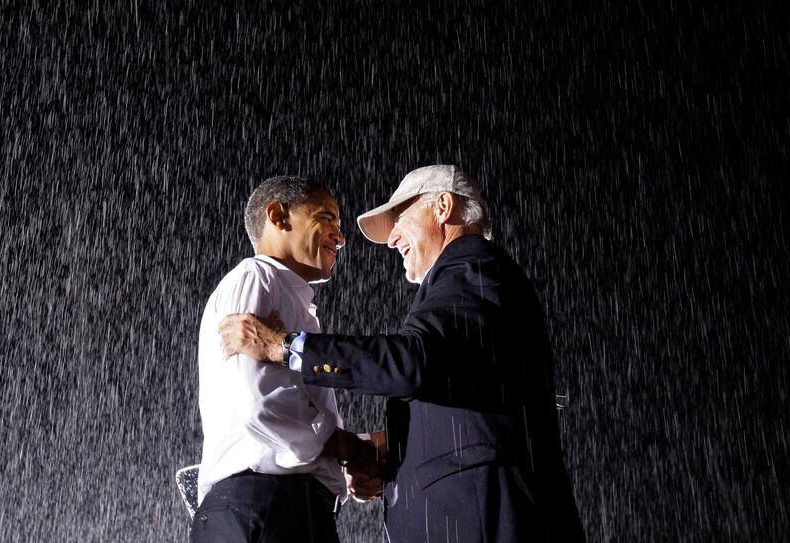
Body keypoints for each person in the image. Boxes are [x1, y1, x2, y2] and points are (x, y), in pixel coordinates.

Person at [219, 165, 585, 542]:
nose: (392, 238)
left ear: (443, 207)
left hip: (487, 522)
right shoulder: (472, 281)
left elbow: (414, 362)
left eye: (400, 217)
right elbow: (464, 392)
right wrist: (393, 453)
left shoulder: (471, 266)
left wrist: (286, 346)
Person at [191, 176, 383, 543]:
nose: (340, 237)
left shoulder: (288, 298)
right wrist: (352, 449)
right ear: (278, 215)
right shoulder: (257, 277)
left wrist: (342, 462)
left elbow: (279, 427)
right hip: (266, 506)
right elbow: (261, 405)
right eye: (327, 218)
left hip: (273, 507)